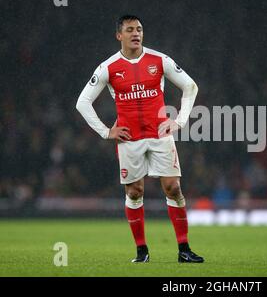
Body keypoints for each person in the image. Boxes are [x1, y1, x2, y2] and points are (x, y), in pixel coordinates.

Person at [76, 15, 204, 263]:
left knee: (173, 187)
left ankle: (184, 249)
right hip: (129, 139)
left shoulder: (159, 60)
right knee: (135, 192)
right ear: (119, 35)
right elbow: (82, 102)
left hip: (160, 134)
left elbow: (190, 87)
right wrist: (106, 131)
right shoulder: (109, 67)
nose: (136, 33)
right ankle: (142, 251)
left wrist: (179, 121)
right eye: (130, 30)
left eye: (140, 29)